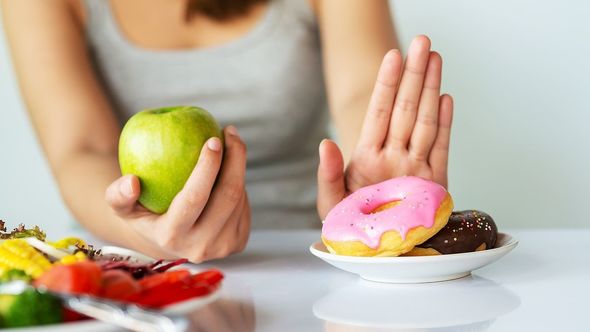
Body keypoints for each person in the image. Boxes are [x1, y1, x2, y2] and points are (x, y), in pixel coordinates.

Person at [2, 0, 453, 262]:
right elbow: (80, 147)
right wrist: (149, 236)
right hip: (129, 271)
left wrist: (376, 186)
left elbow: (361, 92)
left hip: (301, 265)